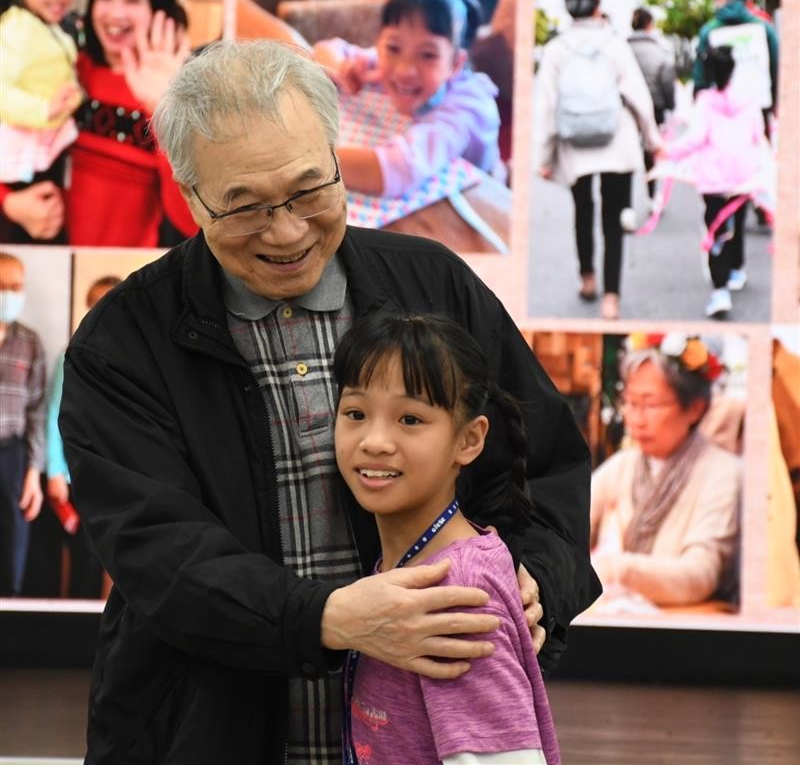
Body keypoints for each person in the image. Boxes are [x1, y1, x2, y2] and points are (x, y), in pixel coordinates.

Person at [59, 39, 598, 764]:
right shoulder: (124, 342)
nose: (286, 232)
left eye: (310, 191)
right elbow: (158, 550)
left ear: (338, 158)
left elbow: (546, 465)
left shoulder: (432, 286)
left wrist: (539, 581)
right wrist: (327, 618)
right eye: (244, 207)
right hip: (202, 734)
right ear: (189, 196)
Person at [334, 311, 560, 764]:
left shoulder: (459, 594)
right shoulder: (426, 565)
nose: (374, 441)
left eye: (410, 419)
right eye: (356, 413)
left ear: (469, 440)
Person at [0, 0, 198, 247]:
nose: (115, 13)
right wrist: (9, 202)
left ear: (158, 8)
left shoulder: (180, 92)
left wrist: (166, 113)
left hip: (127, 268)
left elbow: (193, 221)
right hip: (47, 258)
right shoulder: (67, 72)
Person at [533, 0, 662, 320]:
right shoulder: (615, 45)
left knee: (583, 211)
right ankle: (611, 299)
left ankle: (588, 277)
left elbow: (546, 108)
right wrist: (653, 140)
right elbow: (639, 98)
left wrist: (544, 157)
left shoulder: (556, 49)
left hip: (575, 145)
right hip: (616, 142)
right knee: (613, 220)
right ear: (597, 6)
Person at [311, 0, 501, 197]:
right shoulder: (379, 62)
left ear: (455, 64)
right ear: (379, 44)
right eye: (393, 48)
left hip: (481, 198)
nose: (404, 71)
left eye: (428, 55)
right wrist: (343, 68)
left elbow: (398, 169)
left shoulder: (465, 108)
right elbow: (325, 49)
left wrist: (308, 161)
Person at [590, 333, 740, 607]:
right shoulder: (622, 465)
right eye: (630, 402)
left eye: (649, 404)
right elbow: (567, 524)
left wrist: (615, 568)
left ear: (694, 409)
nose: (636, 419)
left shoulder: (724, 473)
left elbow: (700, 575)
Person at [663, 46, 767, 319]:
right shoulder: (748, 99)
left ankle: (720, 290)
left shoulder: (706, 102)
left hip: (714, 177)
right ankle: (737, 269)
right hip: (743, 175)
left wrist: (668, 152)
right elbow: (758, 134)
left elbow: (695, 138)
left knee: (716, 228)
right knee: (738, 223)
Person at [44, 274, 120, 598]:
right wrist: (55, 472)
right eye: (95, 304)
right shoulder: (71, 354)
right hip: (79, 473)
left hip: (122, 474)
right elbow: (53, 415)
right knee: (85, 557)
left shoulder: (141, 359)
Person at [0, 0, 82, 244]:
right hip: (23, 144)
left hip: (45, 139)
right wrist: (44, 110)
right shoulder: (15, 30)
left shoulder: (47, 25)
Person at [0, 251, 46, 596]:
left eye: (15, 286)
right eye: (2, 286)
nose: (9, 294)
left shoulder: (30, 342)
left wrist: (33, 472)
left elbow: (37, 411)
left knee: (12, 540)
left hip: (12, 454)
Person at [693, 0, 779, 135]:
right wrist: (774, 102)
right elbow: (776, 68)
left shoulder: (708, 31)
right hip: (759, 105)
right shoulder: (764, 28)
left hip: (719, 113)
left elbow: (701, 75)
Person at [627, 6, 675, 207]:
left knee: (627, 149)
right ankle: (652, 195)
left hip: (627, 106)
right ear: (649, 24)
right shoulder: (659, 50)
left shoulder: (623, 48)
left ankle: (625, 204)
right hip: (654, 105)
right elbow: (667, 80)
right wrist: (670, 105)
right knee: (650, 149)